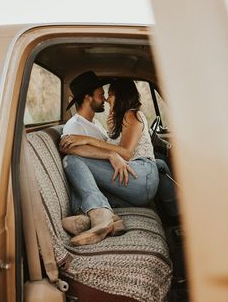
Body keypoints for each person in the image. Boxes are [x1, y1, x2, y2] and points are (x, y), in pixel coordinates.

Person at [60, 71, 160, 246]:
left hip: (140, 175)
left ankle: (93, 213)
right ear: (87, 97)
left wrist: (88, 141)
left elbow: (126, 153)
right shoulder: (75, 125)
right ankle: (103, 217)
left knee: (72, 161)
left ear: (120, 95)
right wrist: (110, 149)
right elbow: (71, 149)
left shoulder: (131, 114)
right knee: (77, 168)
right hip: (136, 181)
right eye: (102, 95)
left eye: (110, 94)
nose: (106, 99)